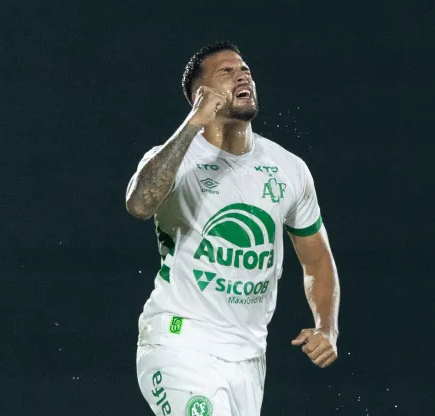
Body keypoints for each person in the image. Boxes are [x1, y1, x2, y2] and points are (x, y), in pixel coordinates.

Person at [125, 41, 340, 416]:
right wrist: (194, 123)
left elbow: (318, 261)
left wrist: (327, 327)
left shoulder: (289, 169)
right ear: (198, 95)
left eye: (245, 71)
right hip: (179, 343)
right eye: (226, 72)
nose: (242, 75)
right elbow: (140, 204)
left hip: (249, 357)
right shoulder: (173, 159)